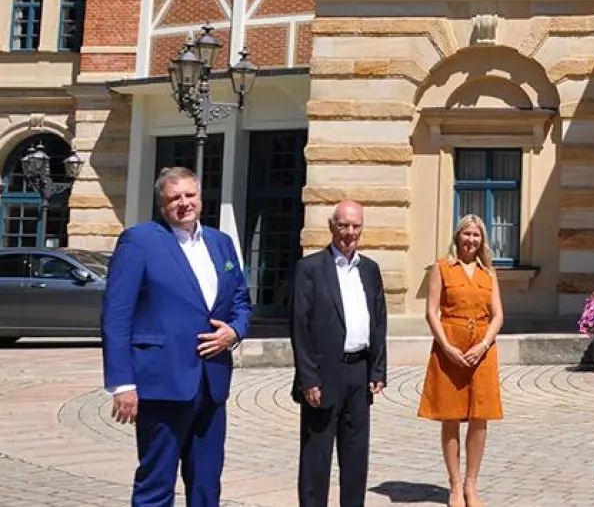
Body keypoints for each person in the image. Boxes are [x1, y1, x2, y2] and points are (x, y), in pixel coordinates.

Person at [101, 166, 253, 507]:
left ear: (201, 198)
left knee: (206, 485)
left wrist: (234, 331)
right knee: (156, 484)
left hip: (212, 384)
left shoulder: (221, 243)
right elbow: (116, 314)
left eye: (190, 195)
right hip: (161, 383)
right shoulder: (139, 241)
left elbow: (241, 300)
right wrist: (122, 383)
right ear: (161, 205)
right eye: (174, 198)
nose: (184, 203)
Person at [290, 200, 389, 507]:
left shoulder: (370, 269)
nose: (349, 232)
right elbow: (299, 328)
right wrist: (309, 379)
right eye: (343, 225)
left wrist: (378, 370)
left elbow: (379, 321)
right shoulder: (310, 269)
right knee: (317, 457)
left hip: (359, 372)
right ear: (331, 227)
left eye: (355, 226)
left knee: (356, 455)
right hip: (323, 374)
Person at [418, 215, 505, 507]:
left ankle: (471, 486)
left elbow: (498, 316)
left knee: (480, 419)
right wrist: (446, 347)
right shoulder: (442, 268)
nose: (471, 240)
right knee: (451, 417)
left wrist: (483, 345)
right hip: (450, 348)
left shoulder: (489, 273)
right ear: (457, 237)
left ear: (482, 241)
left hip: (482, 350)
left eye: (476, 235)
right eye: (466, 234)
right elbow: (431, 312)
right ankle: (454, 486)